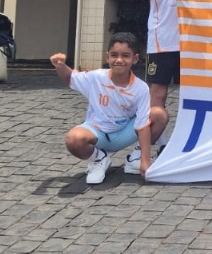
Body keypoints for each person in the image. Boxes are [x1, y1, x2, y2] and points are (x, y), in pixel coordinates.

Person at [51, 32, 166, 184]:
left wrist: (145, 161)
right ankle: (99, 159)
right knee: (73, 139)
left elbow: (143, 125)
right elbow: (70, 78)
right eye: (114, 55)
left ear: (135, 59)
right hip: (97, 134)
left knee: (159, 114)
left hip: (125, 132)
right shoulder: (96, 77)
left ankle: (135, 159)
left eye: (125, 55)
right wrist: (60, 65)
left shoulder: (140, 88)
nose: (119, 60)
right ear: (107, 57)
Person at [131, 0, 203, 157]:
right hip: (161, 41)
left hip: (190, 43)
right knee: (158, 94)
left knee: (189, 94)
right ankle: (154, 143)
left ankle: (183, 141)